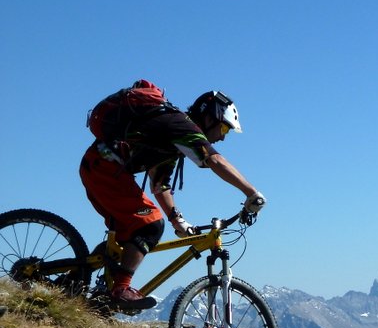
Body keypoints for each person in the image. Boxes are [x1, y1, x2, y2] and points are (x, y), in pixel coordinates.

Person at [79, 86, 266, 310]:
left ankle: (75, 281)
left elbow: (159, 184)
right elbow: (215, 161)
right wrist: (251, 193)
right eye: (224, 128)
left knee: (127, 238)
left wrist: (177, 220)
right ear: (209, 118)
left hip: (100, 169)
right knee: (150, 225)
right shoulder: (180, 125)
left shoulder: (173, 137)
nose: (223, 137)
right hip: (105, 171)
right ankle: (121, 290)